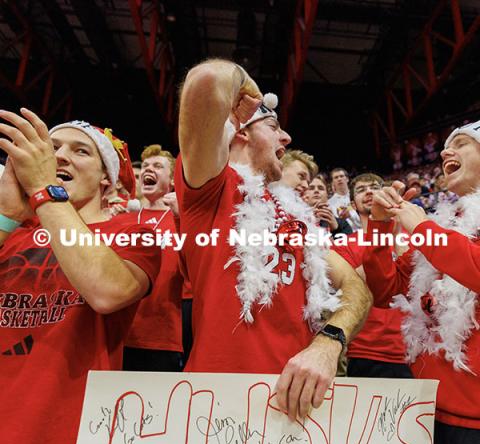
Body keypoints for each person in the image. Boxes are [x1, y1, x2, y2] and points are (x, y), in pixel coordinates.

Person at [176, 59, 372, 421]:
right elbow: (206, 79)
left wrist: (330, 342)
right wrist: (250, 92)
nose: (287, 138)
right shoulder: (212, 189)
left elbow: (356, 290)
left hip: (296, 408)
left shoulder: (296, 217)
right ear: (241, 132)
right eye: (273, 126)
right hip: (218, 406)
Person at [0, 110, 160, 444]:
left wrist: (44, 192)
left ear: (108, 179)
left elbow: (107, 292)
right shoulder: (11, 230)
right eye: (52, 147)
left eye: (81, 151)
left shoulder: (133, 234)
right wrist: (8, 215)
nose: (58, 157)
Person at [363, 120, 480, 444]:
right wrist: (380, 225)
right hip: (426, 405)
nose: (446, 151)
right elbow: (386, 288)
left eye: (460, 144)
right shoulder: (450, 221)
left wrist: (425, 231)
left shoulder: (435, 231)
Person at [334, 173, 412, 378]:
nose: (369, 191)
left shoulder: (412, 238)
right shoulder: (343, 245)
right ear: (352, 204)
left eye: (375, 187)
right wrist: (384, 233)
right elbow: (353, 284)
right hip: (367, 352)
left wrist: (396, 234)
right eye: (361, 190)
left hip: (415, 350)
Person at [123, 144, 184, 372]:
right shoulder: (123, 220)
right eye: (146, 165)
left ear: (172, 180)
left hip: (161, 336)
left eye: (158, 166)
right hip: (118, 332)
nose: (149, 169)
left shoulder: (181, 220)